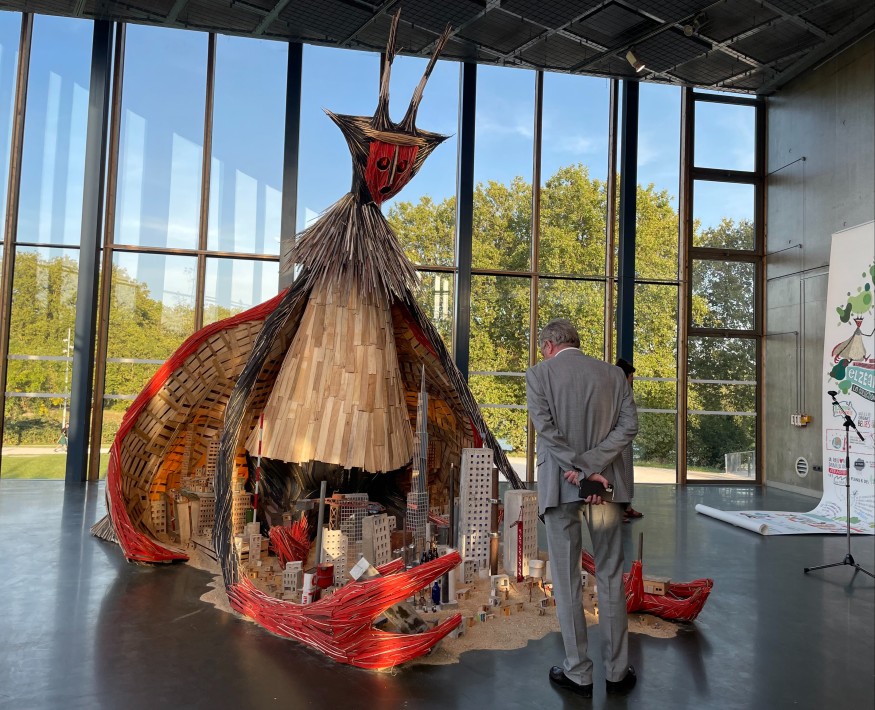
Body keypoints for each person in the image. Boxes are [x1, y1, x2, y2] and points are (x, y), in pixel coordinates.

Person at [526, 318, 639, 698]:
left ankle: (578, 672)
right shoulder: (614, 375)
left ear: (548, 345)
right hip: (606, 488)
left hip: (560, 488)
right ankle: (617, 672)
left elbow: (547, 431)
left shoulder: (539, 375)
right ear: (575, 341)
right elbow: (628, 428)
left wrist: (578, 469)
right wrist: (593, 468)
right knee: (610, 575)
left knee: (567, 579)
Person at [615, 358, 643, 522]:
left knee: (626, 474)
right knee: (620, 475)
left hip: (625, 439)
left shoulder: (624, 390)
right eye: (631, 376)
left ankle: (626, 507)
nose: (632, 379)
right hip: (618, 438)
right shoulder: (616, 390)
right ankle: (619, 510)